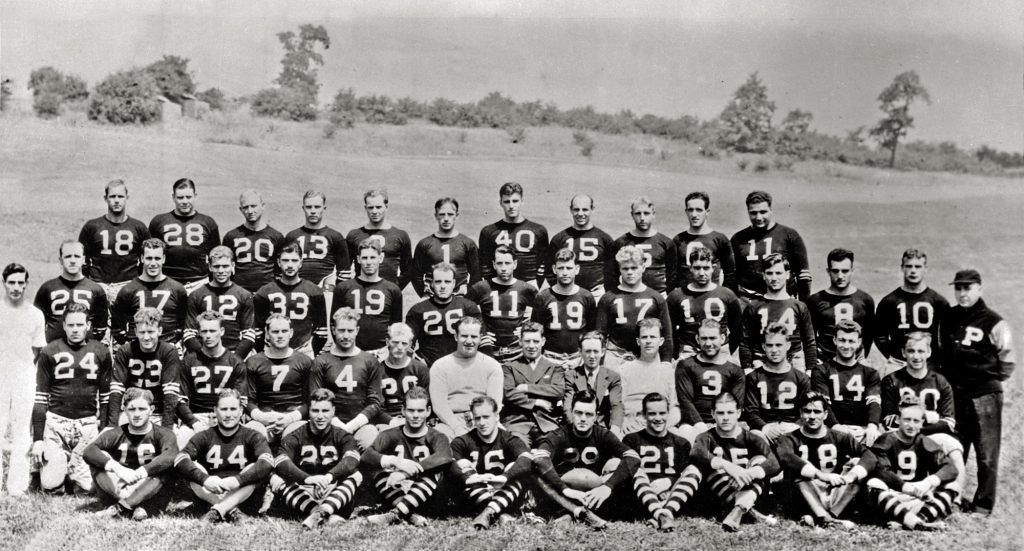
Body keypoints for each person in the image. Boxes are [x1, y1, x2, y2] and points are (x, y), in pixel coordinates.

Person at [941, 268, 1015, 516]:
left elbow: (1007, 360)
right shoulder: (948, 317)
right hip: (956, 394)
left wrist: (988, 381)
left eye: (968, 288)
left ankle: (983, 505)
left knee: (986, 452)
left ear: (979, 288)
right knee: (955, 448)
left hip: (984, 393)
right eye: (958, 288)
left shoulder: (994, 321)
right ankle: (952, 497)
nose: (962, 293)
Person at [31, 303, 112, 493]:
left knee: (87, 489)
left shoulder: (101, 351)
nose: (75, 330)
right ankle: (59, 464)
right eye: (71, 325)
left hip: (87, 424)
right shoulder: (50, 351)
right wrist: (38, 439)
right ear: (64, 326)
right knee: (51, 486)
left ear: (88, 325)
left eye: (79, 325)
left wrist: (104, 428)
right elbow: (41, 398)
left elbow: (106, 397)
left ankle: (72, 467)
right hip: (56, 422)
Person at [532, 390, 640, 530]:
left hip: (594, 494)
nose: (583, 418)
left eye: (589, 414)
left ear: (595, 416)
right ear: (571, 412)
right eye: (578, 413)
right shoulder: (559, 434)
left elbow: (633, 458)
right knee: (534, 472)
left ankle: (571, 514)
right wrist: (565, 490)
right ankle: (574, 512)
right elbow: (540, 459)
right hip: (566, 493)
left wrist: (608, 487)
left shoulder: (603, 434)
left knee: (626, 473)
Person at [880, 333, 966, 501]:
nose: (916, 356)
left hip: (931, 434)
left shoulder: (940, 381)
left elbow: (948, 422)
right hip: (901, 435)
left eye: (921, 351)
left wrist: (919, 427)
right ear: (903, 353)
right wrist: (926, 417)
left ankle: (955, 497)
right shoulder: (892, 380)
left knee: (954, 447)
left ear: (929, 352)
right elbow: (888, 419)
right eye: (911, 351)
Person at [775, 392, 876, 529]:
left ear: (825, 415)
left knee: (858, 466)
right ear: (800, 413)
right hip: (805, 494)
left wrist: (851, 476)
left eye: (817, 412)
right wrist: (820, 475)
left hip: (834, 492)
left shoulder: (840, 437)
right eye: (807, 411)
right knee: (799, 472)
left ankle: (831, 517)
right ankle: (825, 518)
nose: (812, 416)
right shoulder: (789, 438)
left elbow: (869, 456)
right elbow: (787, 457)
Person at [174, 389, 273, 523]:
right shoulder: (204, 435)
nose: (228, 414)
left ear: (241, 411)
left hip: (241, 492)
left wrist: (237, 480)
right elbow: (180, 459)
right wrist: (205, 480)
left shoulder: (252, 435)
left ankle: (219, 510)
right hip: (211, 489)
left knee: (253, 467)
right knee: (192, 465)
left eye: (233, 409)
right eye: (223, 409)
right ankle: (231, 510)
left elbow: (267, 462)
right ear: (215, 410)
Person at [270, 388, 364, 529]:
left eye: (325, 411)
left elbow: (352, 460)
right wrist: (308, 479)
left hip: (332, 491)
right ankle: (320, 513)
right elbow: (281, 462)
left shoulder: (342, 435)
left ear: (333, 411)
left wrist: (329, 477)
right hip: (303, 490)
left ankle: (319, 514)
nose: (320, 416)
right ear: (309, 411)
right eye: (315, 411)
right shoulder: (296, 435)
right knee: (277, 478)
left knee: (356, 475)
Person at [361, 386, 453, 527]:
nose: (415, 415)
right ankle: (409, 515)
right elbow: (367, 456)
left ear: (428, 411)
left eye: (420, 410)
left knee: (434, 472)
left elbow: (445, 457)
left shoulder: (437, 436)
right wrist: (395, 461)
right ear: (403, 410)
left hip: (428, 497)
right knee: (378, 470)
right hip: (398, 493)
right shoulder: (389, 434)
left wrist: (406, 473)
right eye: (411, 410)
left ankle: (395, 514)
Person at [689, 392, 780, 532]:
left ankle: (739, 509)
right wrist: (728, 466)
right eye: (720, 413)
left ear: (738, 413)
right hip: (719, 495)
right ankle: (750, 512)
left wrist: (748, 474)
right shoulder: (706, 437)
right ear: (712, 414)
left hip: (749, 488)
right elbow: (696, 453)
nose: (725, 418)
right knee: (711, 466)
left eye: (730, 412)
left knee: (760, 461)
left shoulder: (751, 437)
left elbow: (774, 463)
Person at [83, 388, 178, 521]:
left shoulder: (163, 433)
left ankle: (120, 509)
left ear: (151, 410)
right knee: (99, 457)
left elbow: (171, 455)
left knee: (165, 464)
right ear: (124, 409)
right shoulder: (116, 433)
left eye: (142, 409)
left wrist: (142, 471)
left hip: (148, 486)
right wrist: (118, 469)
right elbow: (89, 451)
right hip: (120, 486)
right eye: (132, 409)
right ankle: (135, 505)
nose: (137, 414)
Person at [867, 397, 959, 531]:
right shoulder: (886, 440)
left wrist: (928, 482)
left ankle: (919, 520)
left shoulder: (924, 441)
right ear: (898, 420)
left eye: (916, 421)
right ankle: (914, 522)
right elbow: (882, 471)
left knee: (952, 486)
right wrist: (908, 488)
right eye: (907, 419)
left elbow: (951, 468)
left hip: (917, 496)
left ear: (922, 423)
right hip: (892, 495)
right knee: (874, 483)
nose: (911, 425)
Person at [449, 396, 533, 530]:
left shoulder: (509, 439)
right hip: (476, 492)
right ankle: (500, 513)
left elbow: (527, 460)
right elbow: (450, 464)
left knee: (516, 468)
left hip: (505, 490)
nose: (482, 422)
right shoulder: (463, 441)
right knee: (463, 464)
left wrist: (505, 476)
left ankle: (488, 512)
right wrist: (470, 478)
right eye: (477, 418)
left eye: (486, 417)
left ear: (496, 416)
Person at [623, 392, 701, 532]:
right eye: (652, 414)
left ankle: (662, 513)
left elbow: (683, 474)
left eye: (662, 413)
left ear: (668, 414)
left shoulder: (680, 443)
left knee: (694, 470)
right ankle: (664, 513)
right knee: (634, 469)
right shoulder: (632, 440)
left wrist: (669, 482)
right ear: (644, 415)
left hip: (672, 494)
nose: (658, 418)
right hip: (643, 494)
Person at [0, 263, 46, 496]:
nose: (16, 287)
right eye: (12, 282)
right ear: (4, 283)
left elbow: (37, 349)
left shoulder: (35, 314)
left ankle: (17, 486)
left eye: (21, 283)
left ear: (27, 284)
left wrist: (23, 369)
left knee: (21, 431)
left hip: (24, 376)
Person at [310, 308, 384, 451]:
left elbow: (376, 401)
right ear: (333, 329)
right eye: (341, 330)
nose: (345, 336)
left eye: (350, 331)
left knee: (371, 441)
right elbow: (314, 397)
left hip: (360, 424)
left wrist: (351, 426)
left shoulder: (369, 361)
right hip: (326, 422)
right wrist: (337, 425)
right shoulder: (321, 361)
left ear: (357, 330)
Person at [175, 311, 247, 448]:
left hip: (227, 414)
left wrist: (224, 418)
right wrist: (194, 423)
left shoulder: (235, 362)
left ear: (222, 331)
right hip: (197, 417)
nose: (208, 335)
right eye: (204, 331)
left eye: (212, 331)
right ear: (199, 333)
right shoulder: (188, 361)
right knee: (182, 439)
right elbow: (180, 400)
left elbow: (241, 400)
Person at [596, 245, 672, 371]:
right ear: (620, 269)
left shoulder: (656, 298)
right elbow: (600, 334)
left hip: (647, 355)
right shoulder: (608, 298)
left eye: (634, 268)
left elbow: (667, 334)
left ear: (643, 267)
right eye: (625, 268)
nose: (630, 272)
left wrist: (666, 362)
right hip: (616, 354)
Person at [428, 316, 503, 439]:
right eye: (464, 336)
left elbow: (494, 404)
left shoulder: (492, 365)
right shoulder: (440, 365)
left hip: (483, 418)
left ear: (480, 338)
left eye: (474, 336)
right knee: (441, 440)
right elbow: (439, 405)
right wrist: (457, 427)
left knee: (504, 441)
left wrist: (480, 423)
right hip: (450, 421)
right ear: (456, 337)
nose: (469, 341)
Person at [739, 253, 816, 372]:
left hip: (793, 358)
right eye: (769, 273)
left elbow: (809, 341)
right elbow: (745, 342)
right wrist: (747, 368)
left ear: (787, 274)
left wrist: (810, 370)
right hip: (762, 358)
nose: (774, 278)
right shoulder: (754, 306)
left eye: (778, 273)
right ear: (763, 275)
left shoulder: (799, 306)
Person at [78, 179, 151, 305]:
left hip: (128, 285)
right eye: (112, 196)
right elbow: (82, 259)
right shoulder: (92, 226)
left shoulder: (139, 227)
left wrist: (136, 282)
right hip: (99, 285)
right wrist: (91, 283)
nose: (116, 200)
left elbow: (148, 258)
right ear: (105, 198)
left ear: (127, 198)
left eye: (120, 196)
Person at [730, 190, 811, 301]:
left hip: (782, 300)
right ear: (748, 212)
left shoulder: (789, 235)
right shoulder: (738, 239)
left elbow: (803, 275)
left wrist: (803, 305)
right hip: (747, 301)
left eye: (763, 212)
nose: (758, 217)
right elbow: (731, 276)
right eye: (753, 213)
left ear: (771, 211)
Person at [243, 314, 313, 443]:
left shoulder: (304, 361)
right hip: (263, 418)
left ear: (291, 333)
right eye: (275, 331)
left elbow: (310, 400)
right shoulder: (254, 361)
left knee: (297, 436)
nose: (280, 335)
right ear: (267, 334)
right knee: (252, 434)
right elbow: (248, 400)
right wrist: (262, 417)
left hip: (293, 418)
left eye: (284, 331)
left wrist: (291, 418)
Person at [107, 308, 181, 427]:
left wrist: (167, 428)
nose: (146, 337)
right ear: (135, 332)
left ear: (160, 330)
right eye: (142, 332)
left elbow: (170, 394)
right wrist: (112, 425)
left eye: (150, 331)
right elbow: (116, 390)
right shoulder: (125, 350)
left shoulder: (169, 352)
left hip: (158, 413)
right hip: (132, 411)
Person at [875, 248, 950, 366]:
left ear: (926, 269)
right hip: (898, 363)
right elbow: (880, 336)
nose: (913, 271)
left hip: (929, 364)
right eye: (909, 266)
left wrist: (936, 360)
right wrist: (895, 356)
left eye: (918, 266)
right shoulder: (889, 301)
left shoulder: (939, 302)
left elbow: (948, 337)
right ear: (902, 268)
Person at [811, 320, 882, 445]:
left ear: (859, 342)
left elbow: (874, 403)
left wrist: (872, 426)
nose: (846, 345)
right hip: (832, 429)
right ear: (835, 340)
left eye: (851, 341)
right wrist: (836, 427)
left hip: (861, 429)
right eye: (842, 340)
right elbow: (823, 403)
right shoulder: (821, 370)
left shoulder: (870, 373)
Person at [675, 319, 745, 443]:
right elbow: (686, 402)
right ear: (697, 339)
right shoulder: (686, 365)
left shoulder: (735, 370)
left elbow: (736, 404)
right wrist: (701, 426)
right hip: (693, 424)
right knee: (685, 434)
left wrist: (717, 426)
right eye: (704, 338)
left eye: (713, 338)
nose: (708, 343)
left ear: (722, 338)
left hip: (724, 421)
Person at [667, 246, 742, 360]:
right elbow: (669, 330)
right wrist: (676, 353)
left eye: (706, 268)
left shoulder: (727, 295)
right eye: (697, 268)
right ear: (690, 268)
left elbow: (737, 330)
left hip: (719, 350)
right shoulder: (676, 296)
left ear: (713, 268)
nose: (701, 273)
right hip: (688, 351)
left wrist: (725, 350)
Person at [254, 242, 327, 358]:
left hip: (303, 349)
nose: (289, 265)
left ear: (301, 263)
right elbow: (257, 330)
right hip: (272, 350)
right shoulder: (264, 292)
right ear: (278, 262)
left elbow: (321, 331)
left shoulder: (314, 291)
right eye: (285, 260)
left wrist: (310, 349)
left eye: (294, 260)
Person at [331, 239, 403, 357]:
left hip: (381, 352)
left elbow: (395, 327)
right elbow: (334, 323)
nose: (368, 262)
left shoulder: (393, 290)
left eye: (372, 257)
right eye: (364, 258)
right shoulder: (343, 288)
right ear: (358, 259)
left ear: (381, 258)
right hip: (350, 351)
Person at [467, 245, 537, 364]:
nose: (503, 268)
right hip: (488, 351)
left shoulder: (527, 289)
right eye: (500, 263)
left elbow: (542, 316)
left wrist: (526, 328)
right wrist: (480, 332)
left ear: (514, 264)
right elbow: (465, 312)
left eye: (507, 263)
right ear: (494, 264)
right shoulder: (480, 288)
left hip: (518, 351)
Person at [110, 238, 187, 346]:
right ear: (142, 258)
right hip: (137, 349)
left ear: (163, 259)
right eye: (149, 258)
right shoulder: (128, 290)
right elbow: (117, 329)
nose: (153, 263)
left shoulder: (177, 289)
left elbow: (182, 325)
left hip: (168, 348)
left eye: (157, 258)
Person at [148, 178, 221, 293]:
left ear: (195, 196)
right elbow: (149, 255)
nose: (185, 201)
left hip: (199, 283)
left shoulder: (208, 222)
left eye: (188, 197)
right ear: (173, 197)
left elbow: (217, 257)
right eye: (180, 197)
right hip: (167, 284)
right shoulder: (159, 221)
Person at [182, 246, 256, 358]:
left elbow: (249, 334)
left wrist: (234, 359)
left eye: (225, 266)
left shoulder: (244, 295)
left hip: (233, 352)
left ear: (232, 266)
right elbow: (189, 334)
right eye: (216, 266)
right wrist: (203, 357)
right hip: (204, 354)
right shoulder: (196, 295)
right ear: (210, 267)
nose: (221, 271)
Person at [743, 323, 811, 443]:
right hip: (764, 429)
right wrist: (765, 427)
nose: (774, 350)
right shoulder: (753, 377)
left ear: (788, 345)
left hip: (792, 428)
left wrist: (793, 430)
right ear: (763, 347)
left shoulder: (801, 378)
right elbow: (751, 412)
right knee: (756, 437)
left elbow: (806, 410)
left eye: (779, 345)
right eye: (770, 345)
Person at [806, 248, 876, 364]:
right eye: (835, 271)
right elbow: (810, 336)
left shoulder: (865, 300)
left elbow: (869, 335)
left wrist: (861, 356)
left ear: (852, 270)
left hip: (854, 361)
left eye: (845, 271)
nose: (840, 276)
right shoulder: (815, 300)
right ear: (828, 271)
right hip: (824, 362)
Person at [405, 262, 481, 367]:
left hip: (460, 368)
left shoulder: (468, 307)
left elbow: (481, 340)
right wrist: (413, 366)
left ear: (454, 283)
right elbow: (407, 345)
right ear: (431, 283)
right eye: (438, 282)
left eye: (447, 282)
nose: (443, 286)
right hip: (429, 368)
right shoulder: (418, 310)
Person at [501, 321, 565, 447]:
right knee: (520, 453)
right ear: (520, 342)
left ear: (543, 341)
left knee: (547, 454)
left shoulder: (554, 367)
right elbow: (508, 393)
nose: (531, 346)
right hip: (517, 423)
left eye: (536, 341)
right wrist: (536, 402)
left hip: (547, 423)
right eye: (527, 341)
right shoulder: (510, 367)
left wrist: (526, 388)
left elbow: (559, 391)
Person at [531, 248, 597, 369]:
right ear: (554, 269)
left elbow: (591, 331)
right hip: (550, 357)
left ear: (576, 269)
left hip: (579, 358)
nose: (565, 272)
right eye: (561, 268)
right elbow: (537, 331)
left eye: (569, 268)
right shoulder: (543, 296)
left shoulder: (586, 296)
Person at [34, 240, 108, 343]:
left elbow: (100, 327)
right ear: (61, 260)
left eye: (77, 256)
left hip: (85, 350)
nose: (72, 261)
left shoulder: (96, 289)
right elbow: (36, 322)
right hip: (53, 350)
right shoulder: (47, 288)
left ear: (83, 260)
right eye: (68, 256)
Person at [478, 182, 549, 287]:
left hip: (528, 285)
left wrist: (535, 285)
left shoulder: (538, 230)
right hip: (499, 286)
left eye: (515, 201)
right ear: (500, 203)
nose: (511, 206)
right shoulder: (489, 231)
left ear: (522, 202)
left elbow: (544, 262)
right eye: (507, 201)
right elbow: (485, 265)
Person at [604, 196, 677, 294]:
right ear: (632, 215)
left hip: (658, 295)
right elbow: (611, 277)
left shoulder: (666, 242)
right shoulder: (620, 243)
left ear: (653, 214)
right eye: (638, 213)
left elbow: (672, 276)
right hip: (629, 295)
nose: (642, 218)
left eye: (646, 213)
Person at [409, 197, 481, 298]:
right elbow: (416, 274)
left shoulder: (467, 243)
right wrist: (424, 294)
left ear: (457, 215)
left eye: (450, 214)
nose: (446, 218)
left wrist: (467, 296)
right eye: (442, 214)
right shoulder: (425, 244)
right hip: (433, 298)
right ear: (436, 216)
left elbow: (476, 274)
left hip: (459, 297)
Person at [618, 319, 681, 434]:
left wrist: (664, 425)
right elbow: (618, 404)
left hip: (660, 425)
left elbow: (675, 408)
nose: (648, 341)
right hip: (631, 427)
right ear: (638, 341)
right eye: (644, 337)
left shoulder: (668, 371)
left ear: (661, 341)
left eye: (652, 337)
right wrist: (622, 421)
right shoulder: (625, 369)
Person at [544, 194, 613, 298]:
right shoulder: (559, 238)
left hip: (595, 295)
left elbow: (612, 270)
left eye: (585, 209)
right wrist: (561, 288)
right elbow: (549, 270)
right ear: (571, 210)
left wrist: (605, 290)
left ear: (592, 209)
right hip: (567, 294)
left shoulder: (604, 238)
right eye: (576, 209)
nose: (580, 214)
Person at [284, 190, 350, 296]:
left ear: (324, 208)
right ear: (303, 208)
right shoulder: (292, 236)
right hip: (296, 291)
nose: (313, 211)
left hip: (325, 291)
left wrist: (335, 293)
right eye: (309, 207)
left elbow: (344, 273)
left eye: (317, 207)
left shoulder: (335, 237)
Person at [345, 189, 413, 290]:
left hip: (388, 294)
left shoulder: (400, 235)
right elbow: (345, 268)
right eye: (371, 207)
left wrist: (394, 289)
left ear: (386, 207)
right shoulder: (354, 235)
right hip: (361, 291)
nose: (374, 211)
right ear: (365, 208)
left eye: (378, 207)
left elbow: (408, 270)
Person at [222, 189, 286, 293]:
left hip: (268, 293)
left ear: (263, 206)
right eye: (246, 207)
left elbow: (280, 269)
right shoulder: (231, 236)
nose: (250, 211)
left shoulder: (276, 236)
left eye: (254, 206)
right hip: (240, 293)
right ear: (241, 209)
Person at [672, 191, 736, 291]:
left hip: (711, 296)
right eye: (690, 210)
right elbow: (672, 274)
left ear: (707, 212)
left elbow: (730, 273)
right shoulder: (678, 239)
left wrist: (721, 294)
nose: (694, 214)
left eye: (699, 210)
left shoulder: (719, 239)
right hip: (685, 297)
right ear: (686, 212)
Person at [563, 332, 624, 437]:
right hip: (578, 428)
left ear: (603, 352)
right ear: (580, 352)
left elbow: (616, 405)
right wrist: (578, 429)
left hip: (603, 430)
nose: (592, 356)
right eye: (587, 351)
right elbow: (568, 407)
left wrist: (614, 430)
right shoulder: (571, 376)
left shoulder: (613, 377)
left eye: (596, 351)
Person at [377, 323, 430, 426]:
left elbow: (427, 401)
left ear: (410, 345)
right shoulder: (377, 370)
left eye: (404, 343)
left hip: (415, 418)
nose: (400, 347)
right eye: (395, 342)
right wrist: (390, 421)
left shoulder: (420, 369)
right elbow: (376, 405)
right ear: (387, 342)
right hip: (387, 421)